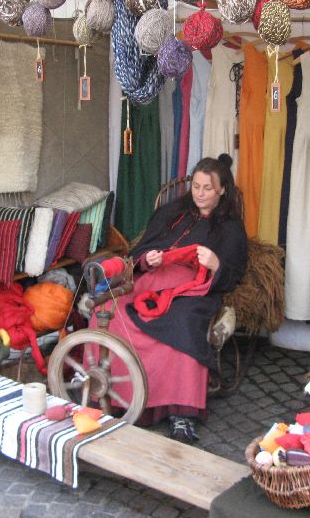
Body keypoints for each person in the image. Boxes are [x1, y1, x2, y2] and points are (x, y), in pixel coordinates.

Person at [93, 154, 248, 442]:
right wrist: (147, 259)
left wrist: (215, 264)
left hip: (193, 289)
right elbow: (140, 252)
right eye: (196, 186)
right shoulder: (172, 212)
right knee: (110, 308)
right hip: (151, 280)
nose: (200, 194)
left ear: (222, 189)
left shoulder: (230, 228)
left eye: (208, 188)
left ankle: (180, 412)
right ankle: (109, 393)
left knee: (183, 323)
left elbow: (235, 273)